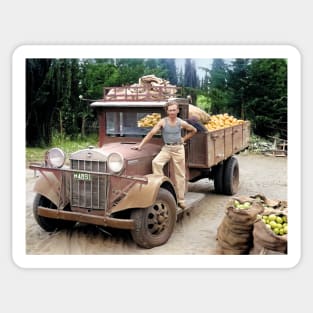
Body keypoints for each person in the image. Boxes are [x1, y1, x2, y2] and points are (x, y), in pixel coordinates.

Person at [131, 101, 197, 209]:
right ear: (167, 111)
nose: (172, 112)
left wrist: (183, 139)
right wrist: (140, 146)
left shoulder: (181, 122)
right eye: (170, 110)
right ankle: (162, 188)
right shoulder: (163, 122)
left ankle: (181, 200)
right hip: (167, 148)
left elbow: (193, 130)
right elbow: (151, 133)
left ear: (178, 110)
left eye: (174, 110)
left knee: (180, 174)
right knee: (156, 162)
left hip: (178, 149)